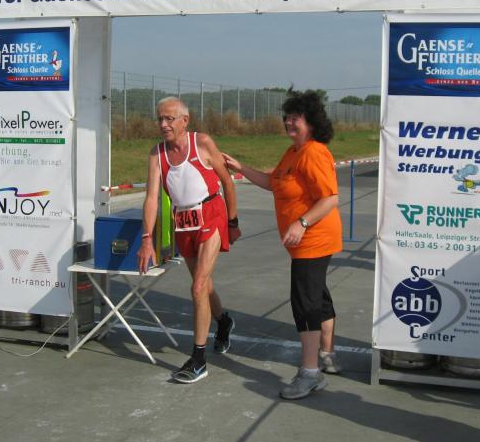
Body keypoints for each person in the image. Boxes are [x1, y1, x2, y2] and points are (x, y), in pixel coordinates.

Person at [223, 89, 342, 400]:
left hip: (314, 239)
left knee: (305, 303)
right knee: (316, 295)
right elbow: (273, 183)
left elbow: (329, 198)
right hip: (305, 242)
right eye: (287, 117)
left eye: (296, 118)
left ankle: (310, 373)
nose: (289, 122)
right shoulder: (293, 152)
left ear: (311, 121)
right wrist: (239, 167)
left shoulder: (314, 153)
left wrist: (301, 223)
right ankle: (326, 354)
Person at [137, 97, 241, 384]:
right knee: (203, 285)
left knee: (197, 287)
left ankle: (198, 360)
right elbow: (151, 198)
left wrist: (232, 222)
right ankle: (223, 321)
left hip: (211, 215)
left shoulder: (203, 143)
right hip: (183, 223)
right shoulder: (157, 154)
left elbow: (227, 182)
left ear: (185, 120)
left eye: (169, 119)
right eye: (160, 118)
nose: (163, 124)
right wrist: (146, 238)